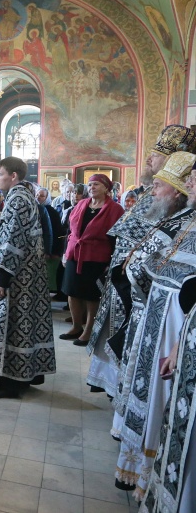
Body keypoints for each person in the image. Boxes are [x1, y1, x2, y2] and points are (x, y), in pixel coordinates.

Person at [88, 125, 196, 398]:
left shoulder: (174, 206)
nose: (149, 160)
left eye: (156, 155)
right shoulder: (152, 192)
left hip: (144, 290)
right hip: (127, 280)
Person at [112, 151, 196, 494]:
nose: (191, 180)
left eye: (160, 186)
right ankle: (139, 472)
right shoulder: (187, 220)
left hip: (175, 331)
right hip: (155, 322)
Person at [0, 157, 55, 398]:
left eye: (0, 173)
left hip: (15, 278)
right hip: (28, 278)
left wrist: (1, 279)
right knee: (22, 328)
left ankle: (7, 383)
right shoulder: (26, 195)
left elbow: (12, 241)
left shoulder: (16, 199)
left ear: (13, 176)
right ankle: (21, 377)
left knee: (7, 327)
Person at [59, 174, 124, 346]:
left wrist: (111, 262)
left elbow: (118, 238)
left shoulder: (115, 209)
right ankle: (76, 326)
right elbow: (70, 231)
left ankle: (88, 331)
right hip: (75, 252)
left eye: (96, 184)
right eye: (90, 184)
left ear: (106, 188)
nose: (92, 187)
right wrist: (66, 252)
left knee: (91, 295)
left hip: (96, 257)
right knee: (71, 291)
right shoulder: (81, 204)